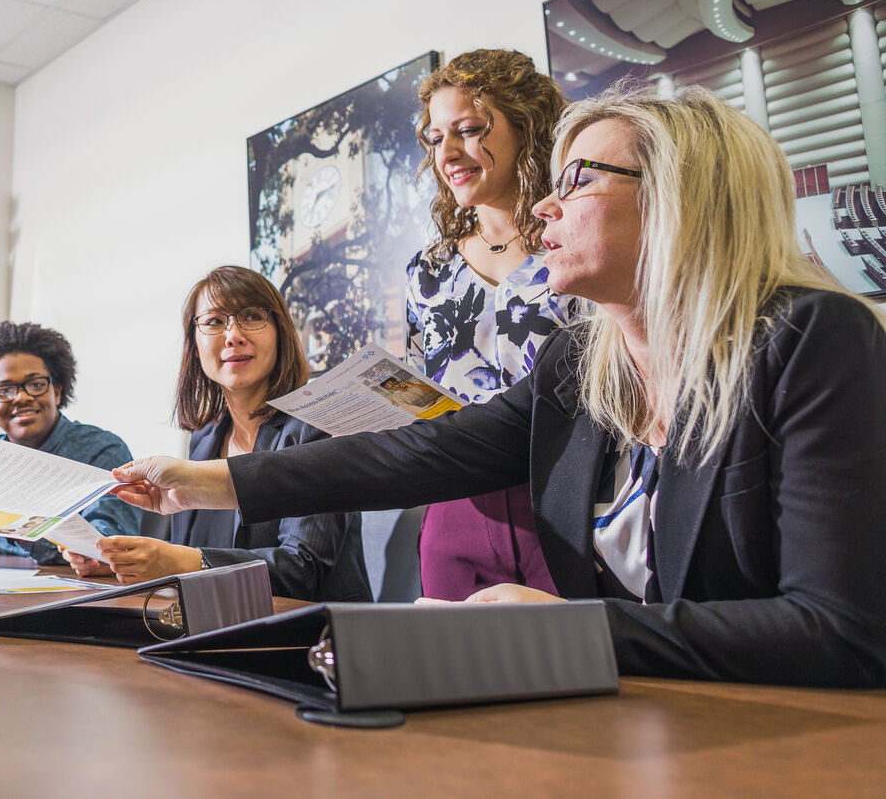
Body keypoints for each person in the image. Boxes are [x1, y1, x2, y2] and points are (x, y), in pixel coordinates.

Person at [111, 87, 886, 687]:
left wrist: (571, 630)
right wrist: (197, 484)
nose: (546, 204)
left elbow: (841, 631)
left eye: (578, 179)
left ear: (685, 194)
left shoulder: (812, 337)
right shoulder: (581, 362)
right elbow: (420, 453)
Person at [66, 266, 370, 602]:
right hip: (221, 627)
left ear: (280, 332)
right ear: (194, 346)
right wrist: (121, 563)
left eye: (252, 316)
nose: (233, 335)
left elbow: (302, 571)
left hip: (314, 640)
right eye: (213, 321)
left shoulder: (318, 427)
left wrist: (180, 562)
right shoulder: (206, 437)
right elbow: (191, 562)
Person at [408, 48, 572, 600]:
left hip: (566, 499)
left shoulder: (576, 250)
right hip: (456, 508)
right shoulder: (427, 271)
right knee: (451, 676)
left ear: (527, 129)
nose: (448, 153)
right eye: (435, 138)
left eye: (470, 129)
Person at [0, 321, 139, 564]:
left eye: (36, 384)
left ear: (57, 391)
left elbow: (107, 549)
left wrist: (19, 529)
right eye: (4, 391)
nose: (21, 397)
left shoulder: (102, 452)